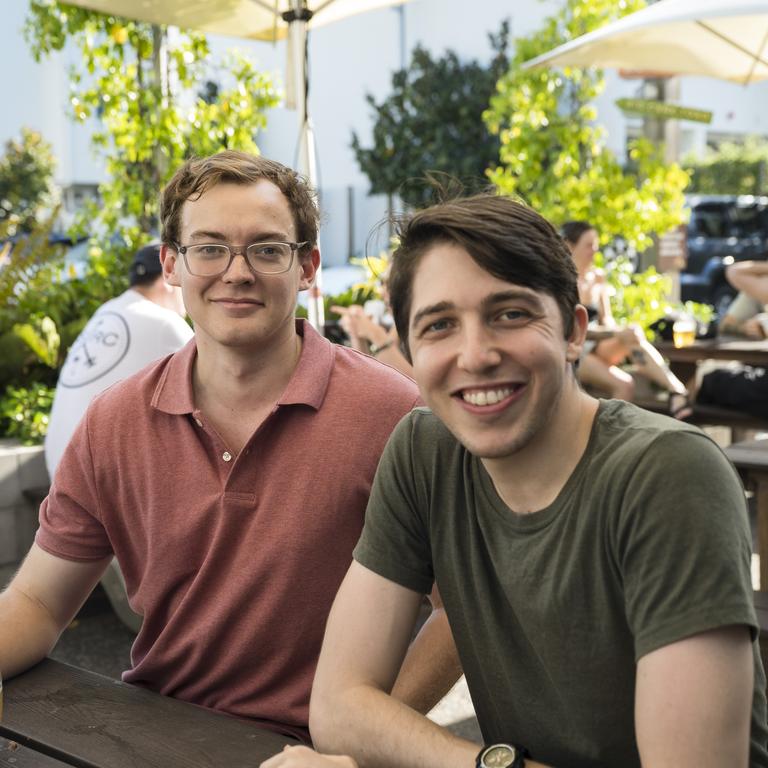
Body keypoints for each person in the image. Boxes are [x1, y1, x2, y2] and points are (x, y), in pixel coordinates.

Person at [267, 194, 768, 767]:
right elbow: (338, 708)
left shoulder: (668, 475)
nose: (475, 354)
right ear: (408, 350)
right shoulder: (423, 451)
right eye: (440, 325)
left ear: (573, 331)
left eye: (510, 313)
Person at [0, 151, 460, 742]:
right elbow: (38, 601)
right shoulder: (114, 422)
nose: (236, 271)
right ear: (172, 263)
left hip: (321, 750)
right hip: (154, 734)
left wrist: (361, 740)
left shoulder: (397, 417)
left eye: (267, 249)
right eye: (209, 247)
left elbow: (460, 613)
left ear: (307, 266)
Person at [45, 242, 192, 478]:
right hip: (100, 486)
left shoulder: (105, 312)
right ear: (168, 279)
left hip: (60, 476)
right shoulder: (164, 322)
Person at [561, 221, 688, 408]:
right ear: (569, 246)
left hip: (599, 345)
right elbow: (568, 330)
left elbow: (608, 320)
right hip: (575, 349)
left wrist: (623, 331)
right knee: (625, 384)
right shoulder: (564, 282)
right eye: (589, 245)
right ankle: (612, 435)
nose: (595, 250)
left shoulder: (598, 278)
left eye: (596, 245)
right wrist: (615, 333)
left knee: (633, 336)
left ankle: (677, 390)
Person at [331, 270, 413, 377]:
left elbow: (417, 386)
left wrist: (375, 334)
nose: (383, 291)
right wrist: (356, 332)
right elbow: (367, 378)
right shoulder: (397, 328)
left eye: (391, 283)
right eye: (382, 283)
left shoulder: (419, 328)